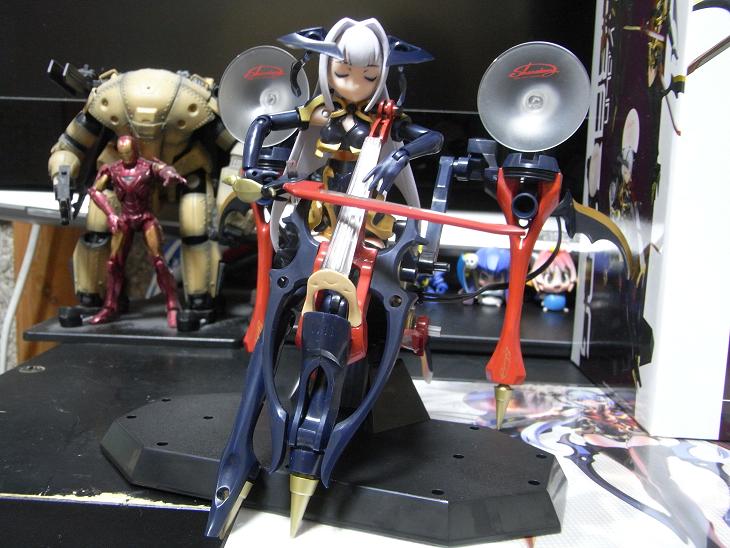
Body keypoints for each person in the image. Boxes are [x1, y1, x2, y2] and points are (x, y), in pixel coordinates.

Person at [87, 135, 187, 327]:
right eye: (123, 153)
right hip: (124, 218)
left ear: (136, 150)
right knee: (113, 263)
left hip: (145, 217)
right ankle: (109, 306)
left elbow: (163, 169)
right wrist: (110, 214)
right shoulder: (113, 170)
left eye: (130, 152)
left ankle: (172, 305)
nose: (127, 156)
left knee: (159, 261)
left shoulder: (146, 167)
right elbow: (94, 191)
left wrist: (170, 174)